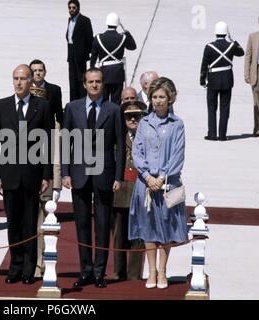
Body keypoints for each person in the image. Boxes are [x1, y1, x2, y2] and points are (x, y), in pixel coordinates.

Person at [62, 67, 124, 288]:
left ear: (103, 84)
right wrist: (65, 172)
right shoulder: (72, 108)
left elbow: (119, 144)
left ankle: (99, 272)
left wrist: (118, 176)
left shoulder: (114, 110)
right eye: (91, 82)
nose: (95, 85)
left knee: (102, 224)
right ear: (84, 84)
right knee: (82, 225)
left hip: (104, 174)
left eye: (98, 82)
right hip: (78, 174)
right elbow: (65, 142)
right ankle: (85, 270)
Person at [0, 64, 52, 285]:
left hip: (32, 175)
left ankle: (29, 267)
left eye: (23, 78)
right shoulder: (2, 105)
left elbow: (47, 143)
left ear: (30, 81)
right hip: (9, 175)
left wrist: (46, 175)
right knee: (13, 223)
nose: (19, 82)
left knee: (29, 223)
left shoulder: (42, 106)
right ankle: (14, 266)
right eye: (15, 78)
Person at [129, 77, 188, 289]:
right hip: (145, 184)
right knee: (148, 228)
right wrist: (147, 176)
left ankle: (163, 271)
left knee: (166, 228)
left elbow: (177, 154)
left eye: (162, 96)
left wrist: (162, 177)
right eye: (154, 97)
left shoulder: (177, 124)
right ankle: (151, 271)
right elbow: (137, 151)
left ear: (170, 98)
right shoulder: (144, 122)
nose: (158, 101)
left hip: (167, 184)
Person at [29, 59, 63, 277]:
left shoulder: (55, 91)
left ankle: (43, 264)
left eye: (41, 71)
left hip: (47, 170)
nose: (38, 74)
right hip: (26, 170)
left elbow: (59, 121)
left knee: (45, 220)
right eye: (35, 71)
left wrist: (57, 182)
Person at [111, 100, 146, 281]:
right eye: (128, 116)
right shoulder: (118, 136)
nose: (132, 119)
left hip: (140, 191)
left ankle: (134, 275)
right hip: (121, 191)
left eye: (137, 116)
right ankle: (118, 272)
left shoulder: (148, 137)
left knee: (138, 236)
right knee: (118, 234)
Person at [200, 21, 244, 141]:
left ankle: (212, 134)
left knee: (211, 107)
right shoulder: (232, 46)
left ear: (216, 32)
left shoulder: (209, 47)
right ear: (226, 33)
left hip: (213, 80)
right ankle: (223, 135)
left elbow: (204, 65)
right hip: (227, 81)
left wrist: (202, 80)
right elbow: (241, 52)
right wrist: (233, 39)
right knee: (225, 108)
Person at [90, 12, 137, 105]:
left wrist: (92, 73)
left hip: (103, 72)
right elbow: (133, 46)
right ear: (117, 24)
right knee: (116, 102)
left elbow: (93, 58)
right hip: (117, 73)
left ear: (107, 23)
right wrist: (126, 32)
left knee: (103, 101)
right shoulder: (123, 37)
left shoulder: (98, 38)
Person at [66, 0, 93, 101]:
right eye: (70, 8)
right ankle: (73, 101)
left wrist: (89, 53)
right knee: (72, 81)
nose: (71, 10)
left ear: (78, 8)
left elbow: (89, 38)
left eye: (74, 7)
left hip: (80, 55)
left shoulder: (84, 20)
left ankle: (82, 100)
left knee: (81, 80)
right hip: (71, 53)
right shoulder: (70, 20)